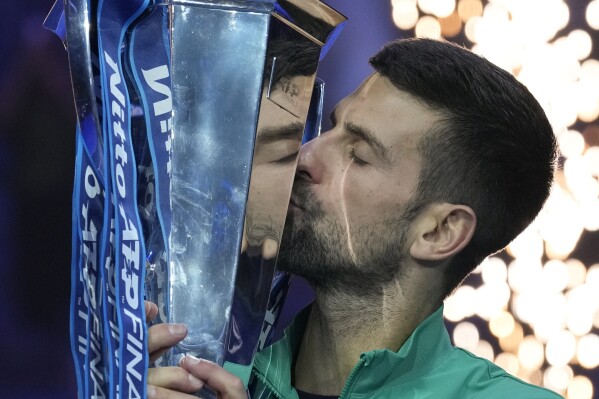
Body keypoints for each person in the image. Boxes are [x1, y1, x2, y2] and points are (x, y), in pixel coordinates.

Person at [145, 38, 561, 399]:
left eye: (358, 156)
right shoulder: (200, 373)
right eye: (332, 127)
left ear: (439, 231)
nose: (304, 156)